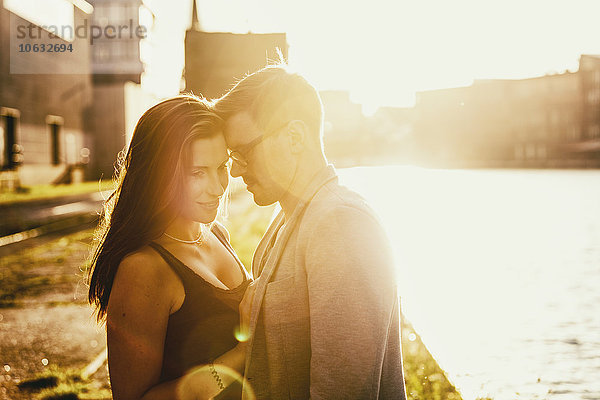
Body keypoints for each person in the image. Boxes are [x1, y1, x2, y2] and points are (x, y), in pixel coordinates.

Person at [212, 64, 407, 399]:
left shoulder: (342, 223)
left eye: (243, 152)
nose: (235, 170)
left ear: (294, 138)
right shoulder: (288, 217)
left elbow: (343, 391)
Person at [87, 95, 256, 400]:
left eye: (222, 167)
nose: (218, 187)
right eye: (197, 173)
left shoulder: (217, 233)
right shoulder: (143, 269)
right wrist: (242, 353)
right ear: (160, 176)